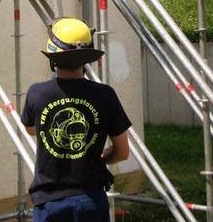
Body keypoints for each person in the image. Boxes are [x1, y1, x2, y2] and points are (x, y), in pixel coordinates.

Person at [21, 17, 131, 222]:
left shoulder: (37, 94)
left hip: (50, 203)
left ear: (52, 57)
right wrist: (100, 158)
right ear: (86, 58)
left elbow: (31, 129)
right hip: (91, 200)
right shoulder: (105, 95)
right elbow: (123, 152)